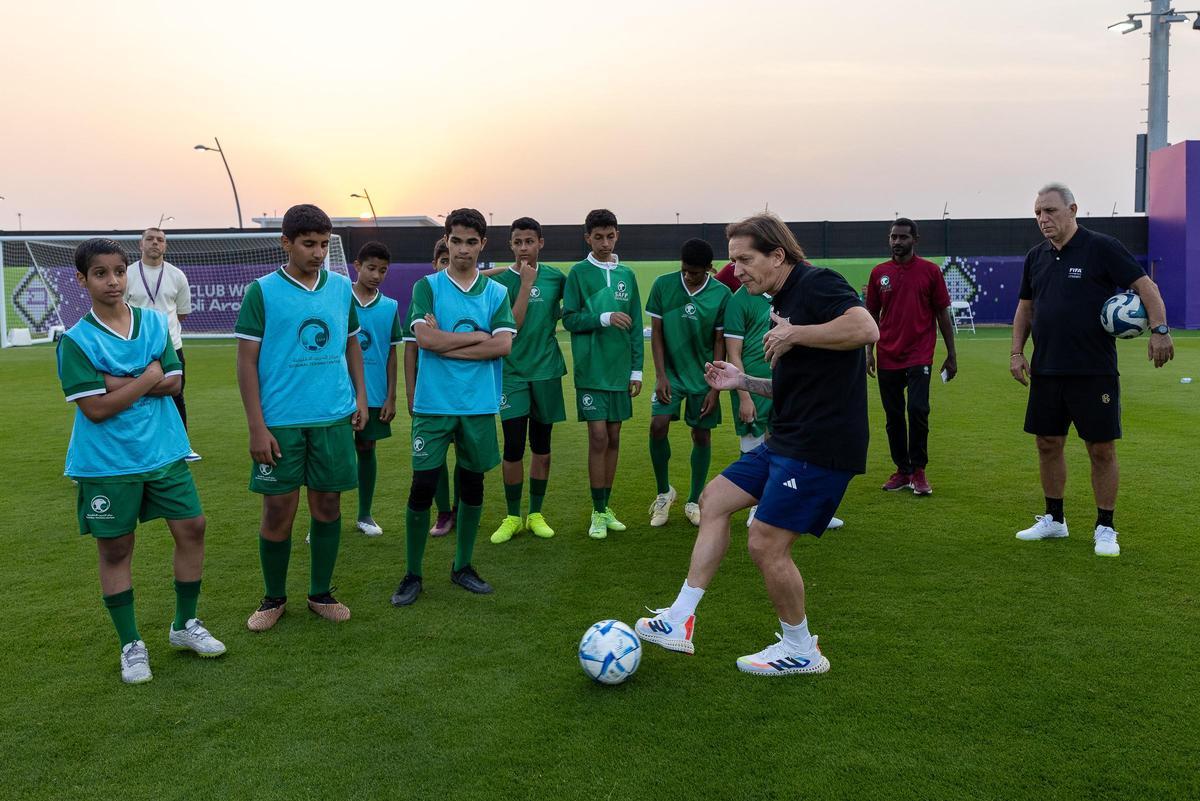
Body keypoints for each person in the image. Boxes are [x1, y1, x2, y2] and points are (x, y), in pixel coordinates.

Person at [636, 213, 878, 676]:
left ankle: (802, 648)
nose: (737, 270)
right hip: (786, 436)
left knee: (765, 542)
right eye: (733, 260)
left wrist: (795, 332)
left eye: (745, 259)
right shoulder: (779, 298)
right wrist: (743, 380)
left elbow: (867, 330)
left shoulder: (818, 283)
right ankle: (680, 618)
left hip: (820, 444)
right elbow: (799, 384)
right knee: (714, 500)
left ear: (777, 255)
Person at [59, 238, 224, 684]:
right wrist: (147, 375)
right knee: (116, 549)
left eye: (118, 271)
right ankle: (131, 644)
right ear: (82, 280)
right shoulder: (75, 340)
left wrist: (115, 383)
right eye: (100, 273)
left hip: (165, 450)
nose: (112, 281)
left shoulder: (153, 324)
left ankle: (184, 625)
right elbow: (94, 409)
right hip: (107, 463)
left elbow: (174, 382)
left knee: (193, 527)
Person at [1010, 183, 1174, 557]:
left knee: (1100, 449)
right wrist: (1016, 352)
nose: (1042, 219)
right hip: (1047, 369)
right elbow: (1025, 308)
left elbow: (1146, 287)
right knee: (1047, 443)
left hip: (1093, 370)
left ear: (1072, 210)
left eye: (1050, 211)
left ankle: (1105, 526)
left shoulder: (1102, 247)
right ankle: (1054, 520)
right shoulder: (1035, 256)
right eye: (1037, 212)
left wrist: (1160, 330)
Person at [235, 204, 368, 631]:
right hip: (281, 423)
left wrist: (360, 398)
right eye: (309, 244)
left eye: (324, 244)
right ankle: (273, 598)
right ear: (286, 243)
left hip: (332, 418)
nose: (317, 252)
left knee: (328, 505)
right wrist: (257, 425)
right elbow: (246, 362)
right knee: (278, 511)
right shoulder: (263, 291)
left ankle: (320, 593)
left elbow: (351, 345)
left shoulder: (341, 288)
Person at [391, 208, 516, 606]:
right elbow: (425, 342)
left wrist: (447, 340)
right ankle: (412, 575)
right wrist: (476, 339)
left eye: (471, 241)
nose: (463, 249)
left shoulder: (496, 293)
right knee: (422, 487)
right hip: (433, 404)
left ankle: (462, 566)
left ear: (482, 244)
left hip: (478, 405)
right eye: (455, 240)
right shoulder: (427, 287)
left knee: (472, 485)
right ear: (446, 240)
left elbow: (504, 346)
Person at [723, 279, 845, 531]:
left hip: (785, 382)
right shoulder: (739, 300)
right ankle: (757, 508)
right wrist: (744, 395)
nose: (740, 271)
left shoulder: (787, 297)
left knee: (787, 446)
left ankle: (810, 510)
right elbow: (733, 352)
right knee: (753, 444)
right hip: (751, 383)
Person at [562, 208, 644, 539]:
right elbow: (568, 319)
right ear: (587, 238)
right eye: (598, 237)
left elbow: (637, 325)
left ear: (617, 235)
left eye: (610, 236)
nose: (605, 242)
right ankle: (596, 512)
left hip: (620, 371)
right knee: (598, 436)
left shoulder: (627, 274)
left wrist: (636, 370)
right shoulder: (579, 273)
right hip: (591, 370)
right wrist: (603, 317)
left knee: (614, 436)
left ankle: (606, 507)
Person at [486, 217, 567, 543]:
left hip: (546, 371)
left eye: (529, 242)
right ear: (511, 245)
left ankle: (535, 513)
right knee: (513, 447)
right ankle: (511, 516)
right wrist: (519, 281)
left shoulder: (555, 279)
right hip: (512, 374)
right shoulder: (501, 282)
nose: (524, 248)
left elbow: (576, 305)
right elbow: (511, 324)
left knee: (542, 447)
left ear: (540, 243)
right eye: (518, 242)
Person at [865, 217, 957, 496]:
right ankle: (902, 470)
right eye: (893, 237)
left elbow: (942, 313)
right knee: (894, 416)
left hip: (919, 354)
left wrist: (952, 355)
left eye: (903, 237)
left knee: (918, 410)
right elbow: (871, 315)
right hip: (888, 354)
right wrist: (869, 350)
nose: (897, 242)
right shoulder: (879, 272)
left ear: (915, 240)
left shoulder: (930, 271)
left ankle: (918, 470)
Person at [646, 238, 730, 526]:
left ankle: (694, 500)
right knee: (658, 426)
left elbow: (719, 340)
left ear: (708, 269)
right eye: (685, 270)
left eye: (695, 272)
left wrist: (714, 387)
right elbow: (656, 333)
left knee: (701, 434)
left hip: (703, 377)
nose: (689, 276)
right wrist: (660, 375)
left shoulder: (721, 293)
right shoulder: (663, 285)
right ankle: (663, 493)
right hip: (670, 375)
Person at [125, 227, 200, 462]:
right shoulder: (127, 274)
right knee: (133, 396)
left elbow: (182, 313)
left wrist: (162, 333)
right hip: (136, 347)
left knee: (176, 394)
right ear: (141, 244)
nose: (155, 243)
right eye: (150, 239)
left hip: (172, 346)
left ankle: (182, 447)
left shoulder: (177, 275)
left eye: (160, 240)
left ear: (165, 245)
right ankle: (135, 448)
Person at [405, 239, 460, 537]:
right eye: (441, 260)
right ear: (435, 264)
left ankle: (460, 510)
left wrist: (442, 336)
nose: (445, 265)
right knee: (434, 459)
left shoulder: (471, 296)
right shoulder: (424, 297)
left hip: (465, 393)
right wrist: (411, 392)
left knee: (467, 457)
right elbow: (412, 349)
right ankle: (442, 513)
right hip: (432, 394)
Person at [350, 241, 403, 537]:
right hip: (340, 394)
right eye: (371, 268)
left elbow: (393, 352)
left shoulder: (390, 306)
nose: (377, 275)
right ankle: (322, 518)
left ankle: (364, 514)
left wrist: (390, 396)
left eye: (383, 270)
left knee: (366, 448)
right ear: (357, 266)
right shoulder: (340, 299)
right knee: (333, 455)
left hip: (375, 393)